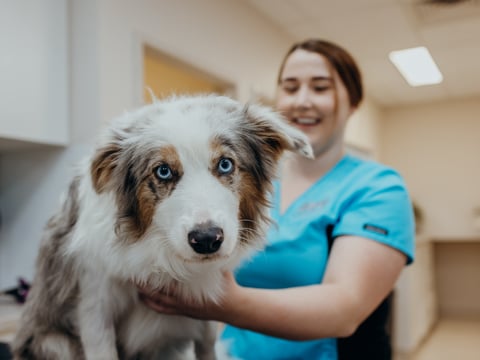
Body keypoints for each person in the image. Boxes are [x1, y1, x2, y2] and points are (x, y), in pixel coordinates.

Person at [139, 39, 415, 360]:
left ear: (353, 102)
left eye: (320, 87)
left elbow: (345, 310)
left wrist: (225, 305)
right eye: (290, 87)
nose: (302, 101)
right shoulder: (245, 181)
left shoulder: (377, 187)